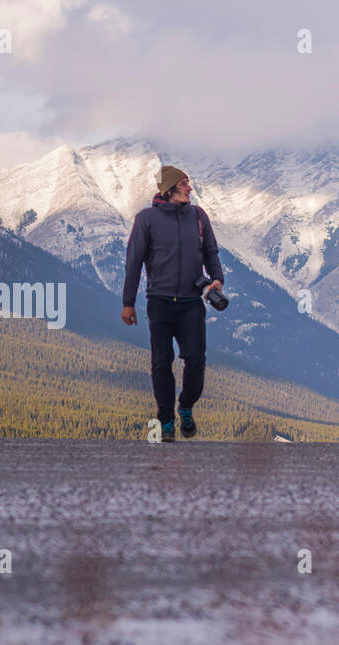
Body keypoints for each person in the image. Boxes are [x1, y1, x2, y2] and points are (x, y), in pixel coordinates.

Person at [121, 165, 224, 441]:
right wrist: (127, 303)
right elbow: (134, 262)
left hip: (192, 302)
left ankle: (186, 406)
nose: (189, 188)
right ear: (168, 189)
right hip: (160, 302)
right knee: (160, 363)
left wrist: (217, 279)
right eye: (183, 183)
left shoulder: (199, 217)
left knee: (196, 361)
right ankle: (166, 421)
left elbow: (211, 252)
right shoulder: (146, 220)